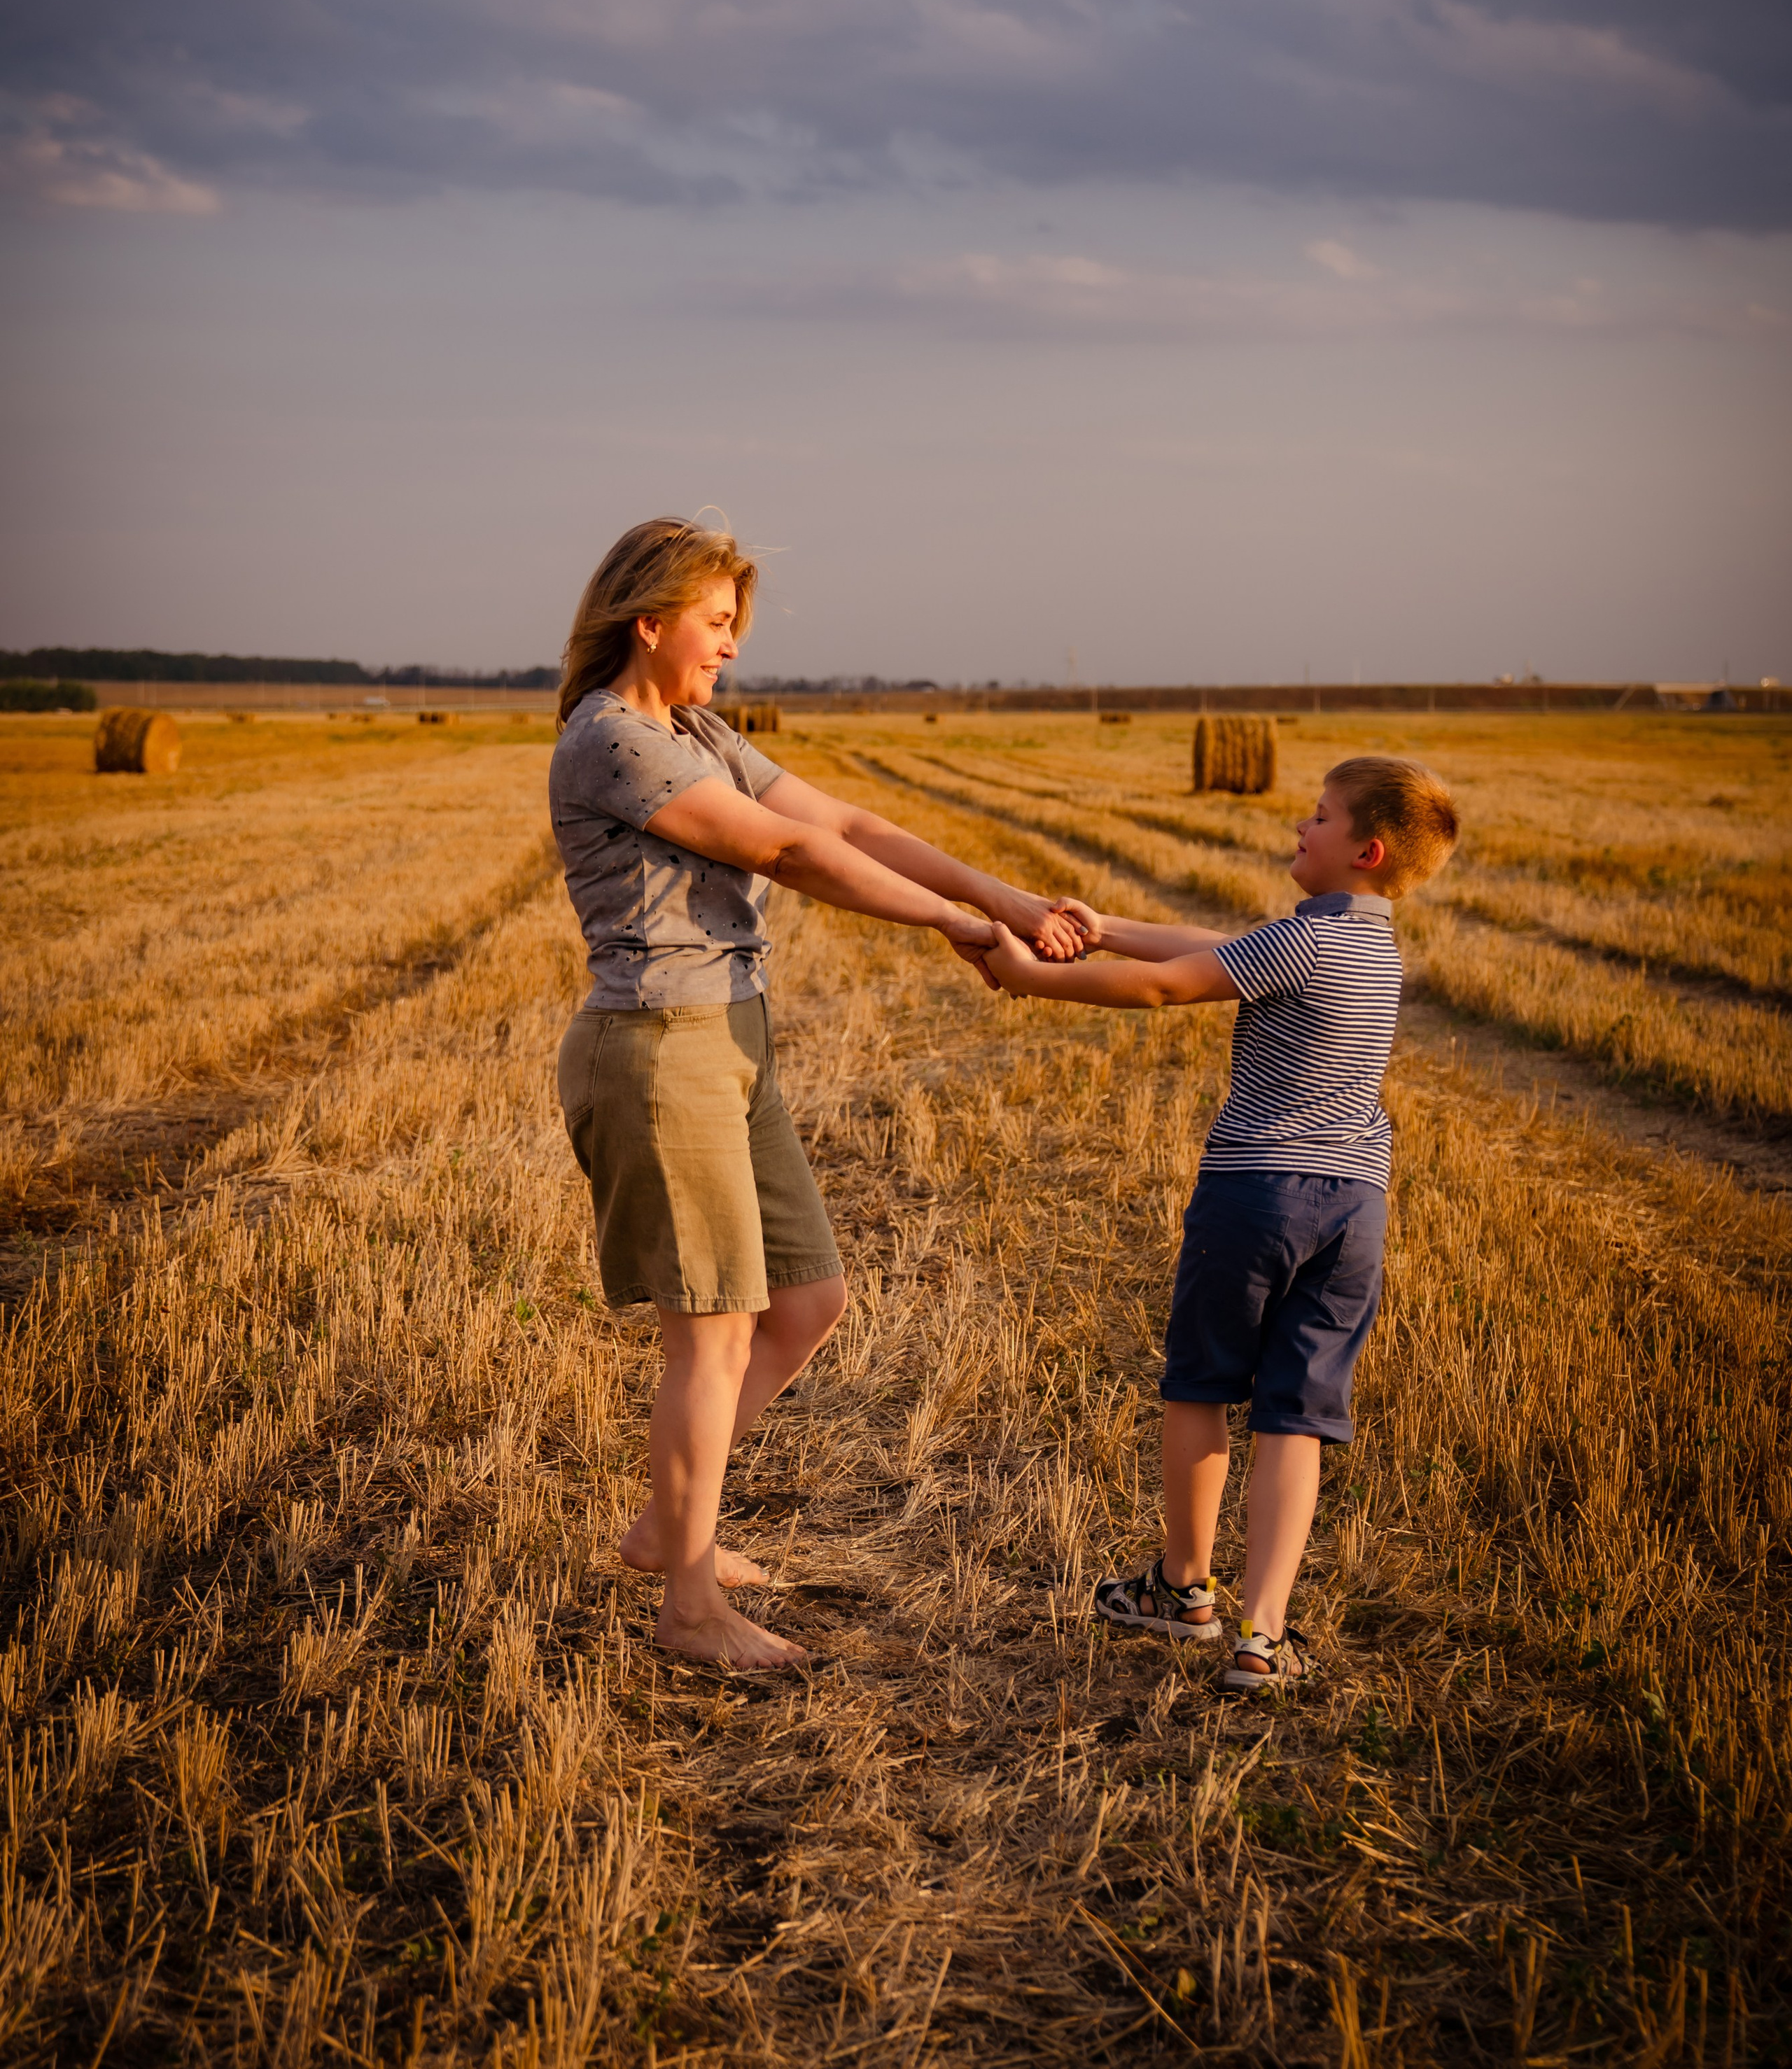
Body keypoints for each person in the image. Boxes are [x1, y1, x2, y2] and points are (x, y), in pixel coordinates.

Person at [550, 517, 1082, 1672]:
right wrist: (947, 922)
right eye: (717, 624)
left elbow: (843, 822)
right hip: (657, 1045)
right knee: (713, 1331)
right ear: (650, 622)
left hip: (732, 1036)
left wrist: (1010, 898)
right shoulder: (612, 744)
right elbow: (787, 856)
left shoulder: (691, 728)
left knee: (806, 1300)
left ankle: (668, 1530)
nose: (731, 649)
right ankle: (688, 1610)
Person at [974, 755, 1459, 1691]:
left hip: (1256, 1194)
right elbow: (1221, 944)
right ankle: (1262, 1634)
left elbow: (1170, 985)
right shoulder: (1372, 948)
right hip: (1355, 1207)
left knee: (1200, 1383)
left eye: (1318, 818)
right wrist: (1105, 926)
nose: (1299, 828)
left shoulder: (1302, 945)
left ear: (1366, 848)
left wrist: (1033, 978)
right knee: (1299, 1412)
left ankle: (1182, 1588)